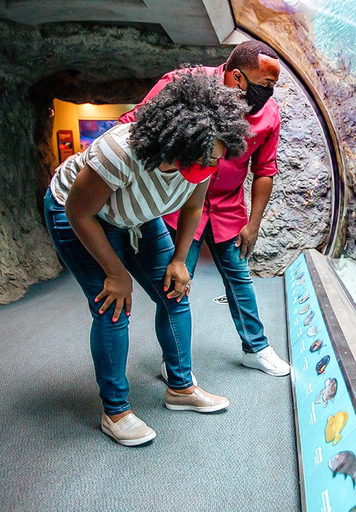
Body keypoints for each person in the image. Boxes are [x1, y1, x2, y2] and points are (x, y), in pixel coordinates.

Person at [44, 74, 252, 446]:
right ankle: (116, 411)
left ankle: (181, 388)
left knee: (175, 291)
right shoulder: (121, 152)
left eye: (216, 159)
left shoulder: (205, 154)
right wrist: (115, 272)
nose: (210, 166)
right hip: (77, 212)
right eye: (206, 158)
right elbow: (79, 212)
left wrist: (179, 258)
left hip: (135, 216)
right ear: (176, 141)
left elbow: (193, 205)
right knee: (113, 304)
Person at [120, 41, 291, 378]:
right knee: (176, 286)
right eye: (266, 84)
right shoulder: (184, 85)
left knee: (241, 279)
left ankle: (256, 348)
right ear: (239, 78)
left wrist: (254, 223)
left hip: (228, 209)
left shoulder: (268, 116)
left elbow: (265, 170)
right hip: (178, 207)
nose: (270, 93)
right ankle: (176, 364)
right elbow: (132, 124)